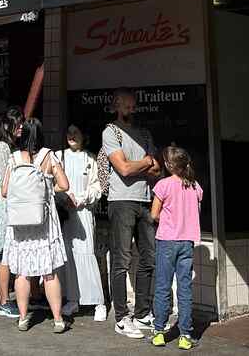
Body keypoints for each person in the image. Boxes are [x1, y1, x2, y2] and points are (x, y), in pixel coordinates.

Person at [1, 117, 70, 333]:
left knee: (22, 272)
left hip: (20, 223)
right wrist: (47, 190)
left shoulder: (13, 159)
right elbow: (65, 185)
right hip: (43, 222)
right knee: (48, 272)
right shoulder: (48, 155)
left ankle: (23, 318)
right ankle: (58, 319)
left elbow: (4, 191)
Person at [103, 88, 160, 339]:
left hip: (145, 201)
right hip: (122, 201)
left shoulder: (145, 133)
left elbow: (157, 170)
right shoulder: (111, 132)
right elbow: (123, 169)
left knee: (148, 258)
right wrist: (146, 162)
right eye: (127, 105)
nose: (131, 110)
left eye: (133, 106)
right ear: (116, 105)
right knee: (122, 260)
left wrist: (147, 164)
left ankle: (142, 312)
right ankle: (122, 318)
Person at [150, 146, 204, 350]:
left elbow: (154, 214)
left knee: (163, 287)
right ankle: (185, 336)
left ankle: (159, 332)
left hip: (167, 241)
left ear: (168, 165)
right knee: (185, 289)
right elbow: (196, 213)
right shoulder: (195, 186)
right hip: (187, 241)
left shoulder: (163, 185)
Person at [59, 125, 106, 322]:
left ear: (83, 136)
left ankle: (98, 302)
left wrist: (82, 198)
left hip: (84, 213)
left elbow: (97, 187)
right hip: (65, 214)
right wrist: (63, 199)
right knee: (68, 256)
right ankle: (72, 298)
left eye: (75, 132)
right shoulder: (58, 156)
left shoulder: (90, 159)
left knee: (86, 254)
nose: (71, 136)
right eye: (68, 132)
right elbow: (52, 183)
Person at [0, 108, 23, 318]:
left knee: (12, 253)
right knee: (5, 254)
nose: (21, 128)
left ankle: (9, 294)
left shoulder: (13, 146)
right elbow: (4, 182)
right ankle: (3, 299)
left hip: (15, 204)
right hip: (5, 203)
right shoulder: (1, 147)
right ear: (8, 125)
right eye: (17, 124)